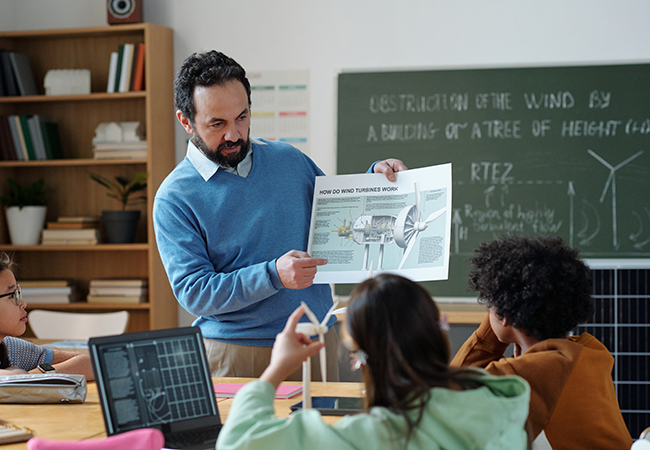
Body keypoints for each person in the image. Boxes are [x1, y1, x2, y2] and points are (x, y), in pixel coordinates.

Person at [153, 49, 407, 379]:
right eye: (217, 123)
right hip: (234, 354)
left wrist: (375, 178)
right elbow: (196, 292)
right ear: (186, 121)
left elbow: (340, 216)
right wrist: (273, 274)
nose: (234, 134)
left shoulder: (289, 160)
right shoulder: (174, 197)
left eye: (242, 117)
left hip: (314, 343)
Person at [216, 273, 530, 450]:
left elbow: (238, 442)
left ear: (359, 358)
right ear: (437, 332)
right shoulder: (500, 401)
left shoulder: (370, 436)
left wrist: (276, 369)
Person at [451, 235, 633, 450]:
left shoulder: (529, 373)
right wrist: (506, 309)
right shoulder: (589, 351)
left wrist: (503, 309)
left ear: (506, 313)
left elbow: (452, 394)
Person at [0, 252, 93, 379]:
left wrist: (28, 376)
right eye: (12, 295)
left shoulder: (10, 348)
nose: (23, 303)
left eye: (18, 293)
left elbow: (88, 364)